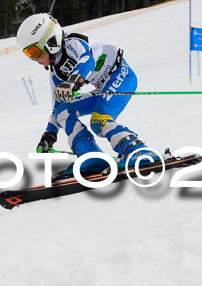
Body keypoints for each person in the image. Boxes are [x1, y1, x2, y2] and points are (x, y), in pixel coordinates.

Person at [16, 13, 159, 179]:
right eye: (28, 54)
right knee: (63, 110)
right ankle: (91, 157)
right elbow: (56, 106)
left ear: (51, 42)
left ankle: (139, 152)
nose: (34, 59)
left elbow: (87, 61)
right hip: (102, 87)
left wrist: (74, 80)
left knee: (99, 121)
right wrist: (49, 134)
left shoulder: (73, 44)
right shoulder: (55, 73)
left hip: (121, 76)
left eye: (35, 51)